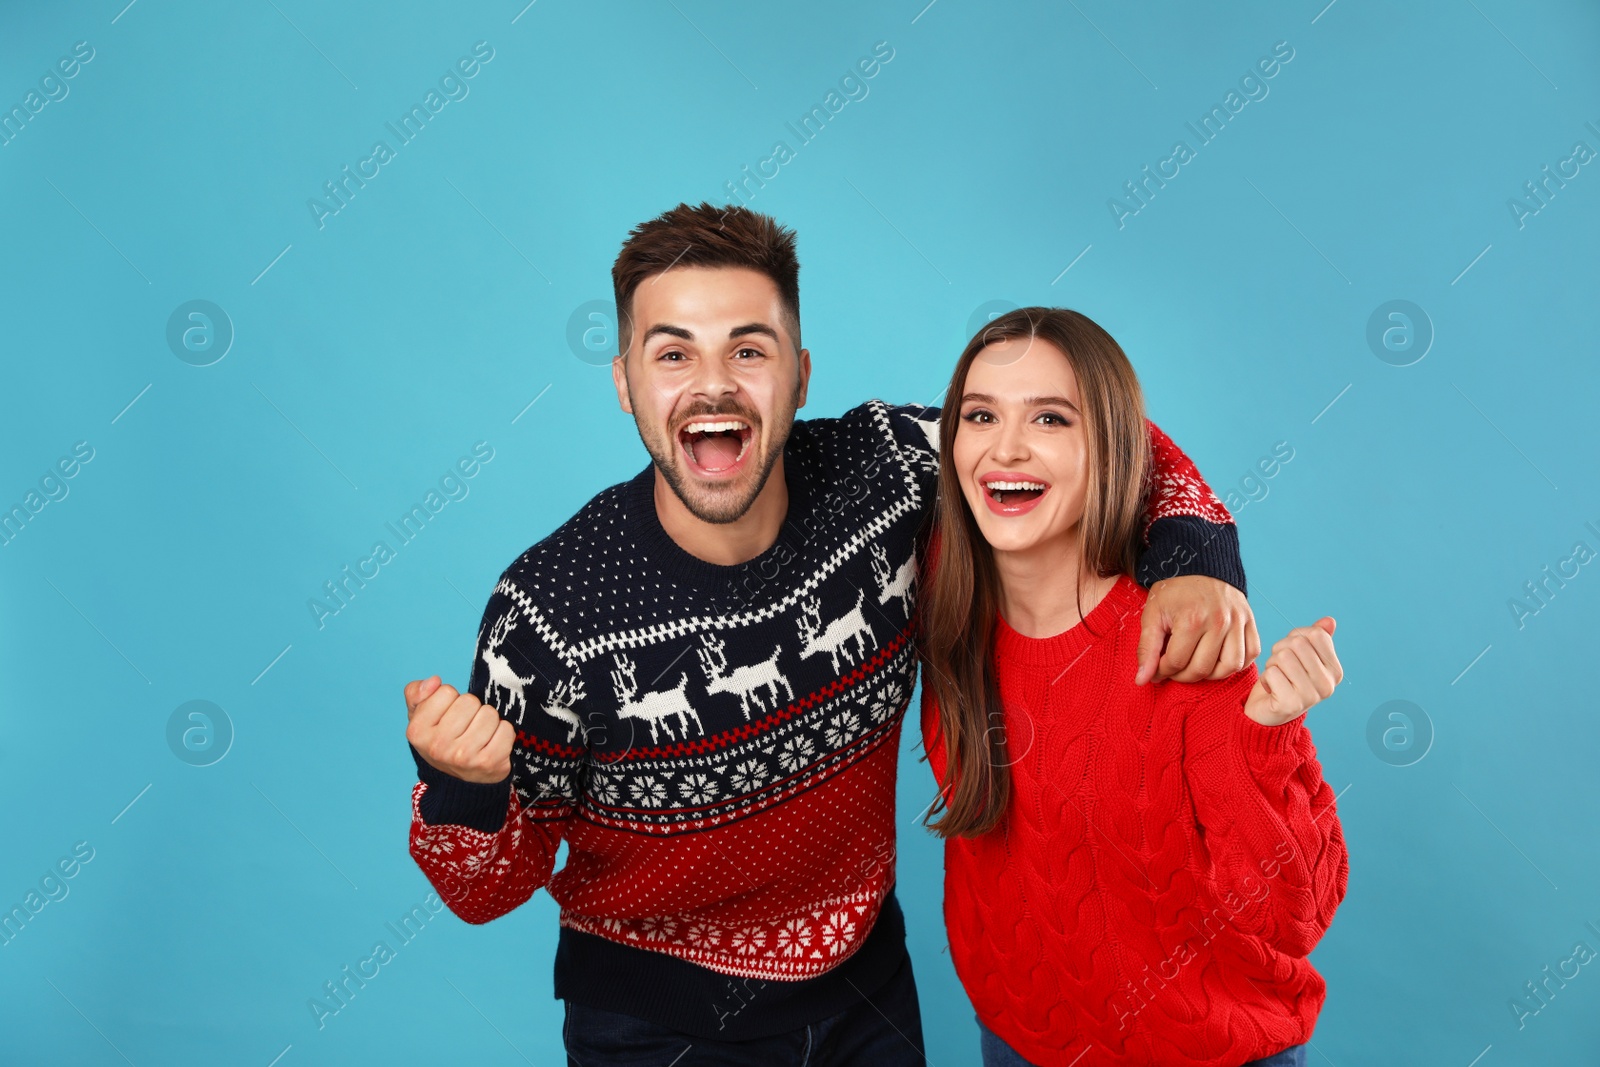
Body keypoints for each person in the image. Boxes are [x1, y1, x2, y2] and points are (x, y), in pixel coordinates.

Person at [402, 203, 1260, 1065]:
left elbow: (1092, 434)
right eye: (673, 354)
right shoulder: (548, 612)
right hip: (654, 1030)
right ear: (625, 382)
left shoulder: (890, 469)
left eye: (749, 349)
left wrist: (1193, 558)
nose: (713, 386)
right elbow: (484, 891)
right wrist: (466, 791)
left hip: (866, 996)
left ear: (800, 373)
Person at [917, 307, 1349, 1067]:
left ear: (1113, 448)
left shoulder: (1183, 640)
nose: (1005, 447)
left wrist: (1269, 737)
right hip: (1019, 1035)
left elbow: (1293, 915)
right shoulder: (945, 604)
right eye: (980, 414)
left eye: (1051, 418)